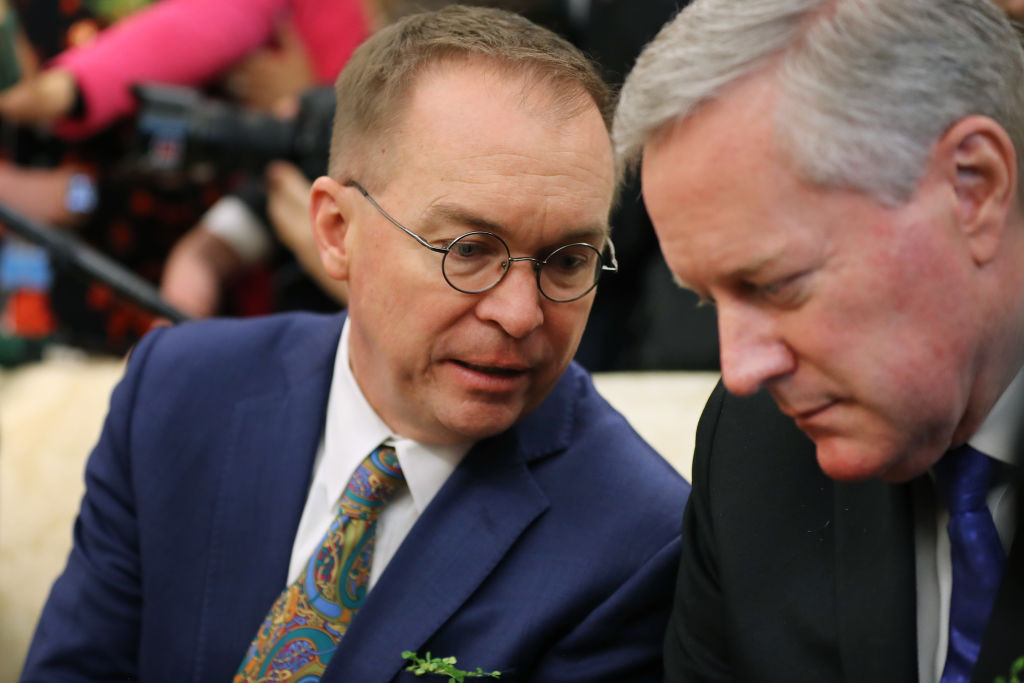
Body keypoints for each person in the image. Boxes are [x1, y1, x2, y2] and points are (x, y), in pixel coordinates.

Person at [19, 6, 689, 682]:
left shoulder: (634, 544)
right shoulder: (176, 394)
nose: (521, 313)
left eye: (568, 261)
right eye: (470, 249)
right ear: (338, 231)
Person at [614, 0, 1024, 680]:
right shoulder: (753, 452)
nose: (740, 369)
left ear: (972, 187)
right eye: (708, 299)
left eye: (776, 285)